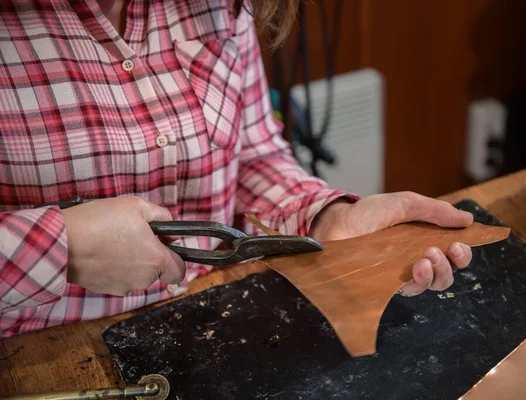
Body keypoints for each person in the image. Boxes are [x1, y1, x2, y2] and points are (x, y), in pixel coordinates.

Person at [0, 0, 473, 338]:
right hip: (41, 352)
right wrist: (61, 247)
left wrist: (322, 217)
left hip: (216, 312)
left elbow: (251, 151)